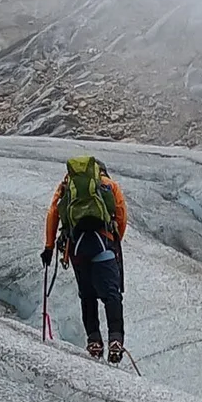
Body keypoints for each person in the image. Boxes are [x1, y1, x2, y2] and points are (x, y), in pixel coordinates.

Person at [42, 154, 129, 361]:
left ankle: (94, 342)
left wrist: (49, 246)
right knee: (111, 294)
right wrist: (115, 240)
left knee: (87, 296)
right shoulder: (109, 185)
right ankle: (115, 340)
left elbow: (53, 212)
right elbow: (121, 213)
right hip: (104, 247)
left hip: (77, 250)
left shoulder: (66, 186)